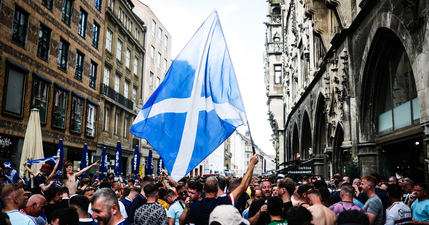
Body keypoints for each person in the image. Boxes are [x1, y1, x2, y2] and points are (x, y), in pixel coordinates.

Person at [189, 154, 258, 225]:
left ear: (204, 188)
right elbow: (243, 185)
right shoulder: (225, 201)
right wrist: (251, 164)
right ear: (217, 188)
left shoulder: (195, 206)